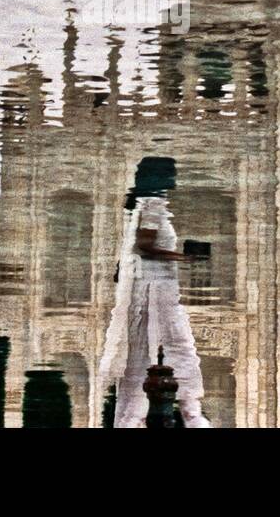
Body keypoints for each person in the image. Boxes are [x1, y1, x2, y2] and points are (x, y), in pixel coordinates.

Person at [100, 157, 211, 427]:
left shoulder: (140, 204)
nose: (174, 179)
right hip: (156, 287)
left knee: (148, 351)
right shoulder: (153, 204)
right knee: (176, 344)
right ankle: (190, 412)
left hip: (154, 285)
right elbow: (145, 245)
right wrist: (183, 257)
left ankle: (137, 418)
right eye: (171, 174)